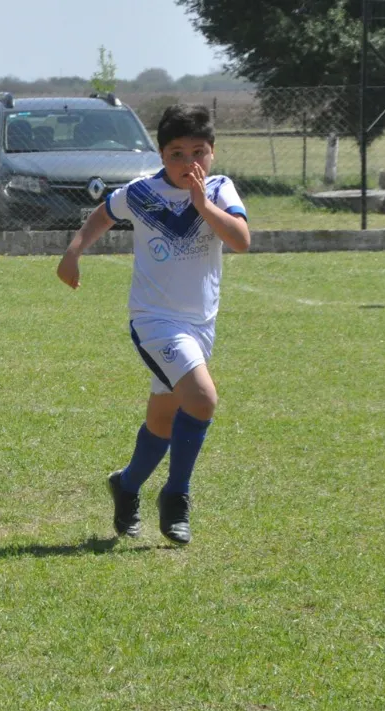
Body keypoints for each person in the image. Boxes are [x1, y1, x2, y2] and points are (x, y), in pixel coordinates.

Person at [55, 104, 250, 545]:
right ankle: (176, 497)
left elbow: (240, 240)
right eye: (177, 154)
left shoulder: (219, 190)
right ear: (162, 155)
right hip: (154, 321)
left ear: (213, 154)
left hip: (200, 324)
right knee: (201, 399)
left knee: (164, 420)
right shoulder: (142, 193)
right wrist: (74, 250)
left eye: (198, 152)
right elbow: (103, 213)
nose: (188, 164)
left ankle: (125, 485)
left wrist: (202, 205)